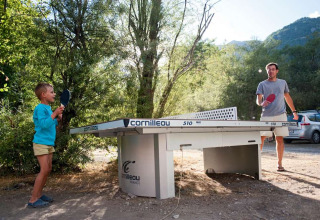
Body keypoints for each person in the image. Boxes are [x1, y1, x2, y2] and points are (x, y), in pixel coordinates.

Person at [256, 62, 298, 172]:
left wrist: (294, 112)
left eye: (273, 69)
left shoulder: (283, 83)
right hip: (266, 116)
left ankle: (279, 164)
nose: (271, 71)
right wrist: (261, 103)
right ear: (267, 71)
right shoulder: (262, 84)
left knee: (279, 139)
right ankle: (257, 163)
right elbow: (258, 100)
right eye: (269, 69)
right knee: (261, 138)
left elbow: (287, 97)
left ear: (277, 71)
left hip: (281, 115)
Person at [28, 83, 64, 208]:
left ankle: (39, 195)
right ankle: (33, 199)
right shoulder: (40, 108)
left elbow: (51, 124)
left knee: (47, 169)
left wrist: (57, 119)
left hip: (48, 143)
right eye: (51, 92)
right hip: (41, 142)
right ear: (43, 95)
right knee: (43, 170)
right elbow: (43, 124)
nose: (54, 94)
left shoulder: (48, 109)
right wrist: (54, 114)